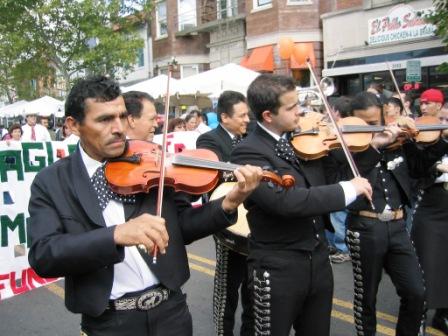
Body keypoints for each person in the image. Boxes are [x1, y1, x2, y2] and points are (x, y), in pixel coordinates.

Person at [27, 76, 263, 336]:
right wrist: (115, 234)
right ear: (73, 125)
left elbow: (182, 228)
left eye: (122, 116)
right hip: (109, 323)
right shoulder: (52, 181)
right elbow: (44, 255)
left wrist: (228, 203)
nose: (119, 128)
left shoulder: (150, 162)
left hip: (171, 312)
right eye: (105, 119)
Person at [230, 74, 373, 336]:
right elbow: (286, 202)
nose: (301, 112)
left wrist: (374, 145)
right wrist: (347, 189)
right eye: (291, 107)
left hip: (318, 263)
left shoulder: (305, 141)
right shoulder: (248, 152)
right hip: (278, 267)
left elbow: (337, 178)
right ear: (268, 115)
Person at [340, 91, 448, 336]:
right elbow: (343, 179)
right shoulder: (347, 149)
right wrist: (375, 145)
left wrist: (441, 139)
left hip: (398, 226)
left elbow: (421, 169)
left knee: (416, 292)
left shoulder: (399, 142)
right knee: (366, 297)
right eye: (365, 124)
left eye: (376, 121)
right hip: (365, 227)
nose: (373, 128)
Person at [196, 90, 252, 336]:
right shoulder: (209, 140)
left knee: (254, 285)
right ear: (224, 118)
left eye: (248, 115)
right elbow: (218, 174)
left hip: (254, 221)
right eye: (241, 116)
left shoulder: (250, 137)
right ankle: (223, 332)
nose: (247, 120)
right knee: (227, 284)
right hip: (227, 221)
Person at [411, 100, 448, 335]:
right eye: (442, 119)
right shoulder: (427, 145)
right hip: (431, 209)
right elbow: (416, 174)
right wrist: (437, 168)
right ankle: (418, 316)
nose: (445, 125)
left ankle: (444, 315)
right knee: (427, 264)